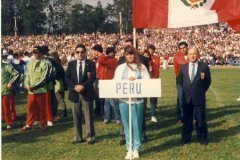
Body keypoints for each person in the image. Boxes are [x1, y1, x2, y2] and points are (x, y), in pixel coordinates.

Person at [114, 46, 150, 160]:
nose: (130, 56)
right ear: (125, 55)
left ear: (135, 55)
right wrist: (126, 81)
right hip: (124, 101)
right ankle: (129, 148)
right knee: (127, 124)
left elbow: (147, 82)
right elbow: (116, 81)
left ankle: (136, 148)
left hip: (137, 101)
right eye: (127, 54)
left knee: (137, 125)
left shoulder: (142, 67)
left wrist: (137, 81)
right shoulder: (120, 68)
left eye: (132, 54)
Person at [178, 47, 211, 145]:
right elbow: (180, 81)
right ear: (187, 56)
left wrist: (200, 91)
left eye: (194, 53)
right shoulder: (183, 67)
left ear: (198, 55)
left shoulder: (204, 67)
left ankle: (202, 138)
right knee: (187, 119)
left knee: (200, 118)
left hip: (199, 97)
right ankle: (186, 138)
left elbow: (208, 82)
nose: (192, 56)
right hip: (187, 97)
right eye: (190, 54)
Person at [65, 44, 96, 144]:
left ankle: (90, 136)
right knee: (76, 116)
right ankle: (78, 136)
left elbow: (92, 77)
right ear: (75, 53)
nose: (80, 54)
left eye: (82, 52)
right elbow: (67, 78)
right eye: (78, 52)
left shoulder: (90, 63)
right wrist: (74, 87)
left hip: (87, 92)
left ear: (85, 53)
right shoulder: (71, 64)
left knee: (88, 116)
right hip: (75, 93)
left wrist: (83, 86)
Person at [20, 46, 48, 132]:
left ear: (40, 53)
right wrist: (27, 85)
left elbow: (44, 78)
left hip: (40, 90)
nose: (35, 54)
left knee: (41, 108)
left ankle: (42, 124)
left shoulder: (44, 63)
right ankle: (28, 124)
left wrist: (34, 86)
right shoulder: (30, 63)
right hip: (30, 91)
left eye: (37, 52)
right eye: (34, 52)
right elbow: (26, 76)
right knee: (30, 108)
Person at [98, 47, 121, 124]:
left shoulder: (112, 60)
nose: (112, 53)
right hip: (107, 83)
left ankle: (116, 118)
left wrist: (106, 55)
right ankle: (108, 117)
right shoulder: (111, 60)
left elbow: (100, 61)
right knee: (107, 102)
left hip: (110, 83)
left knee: (112, 102)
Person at [1, 50, 20, 129]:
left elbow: (16, 74)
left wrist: (10, 83)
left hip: (4, 90)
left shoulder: (6, 66)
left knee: (6, 108)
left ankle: (8, 123)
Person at [173, 41, 188, 123]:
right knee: (181, 98)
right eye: (181, 48)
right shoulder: (177, 56)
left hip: (190, 80)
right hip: (180, 80)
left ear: (187, 47)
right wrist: (179, 77)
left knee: (190, 98)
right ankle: (180, 117)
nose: (182, 49)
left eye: (184, 48)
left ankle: (191, 116)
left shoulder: (191, 54)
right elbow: (175, 68)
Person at [147, 44, 161, 123]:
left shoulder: (156, 58)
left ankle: (153, 115)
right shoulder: (144, 58)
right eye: (149, 50)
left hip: (154, 79)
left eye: (152, 50)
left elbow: (156, 68)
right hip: (146, 80)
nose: (150, 51)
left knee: (153, 99)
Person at [92, 44, 105, 116]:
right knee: (98, 95)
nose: (94, 52)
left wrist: (101, 80)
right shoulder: (99, 58)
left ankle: (99, 111)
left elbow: (103, 70)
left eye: (94, 51)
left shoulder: (102, 58)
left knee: (98, 96)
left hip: (100, 79)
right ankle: (99, 111)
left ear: (97, 50)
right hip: (99, 78)